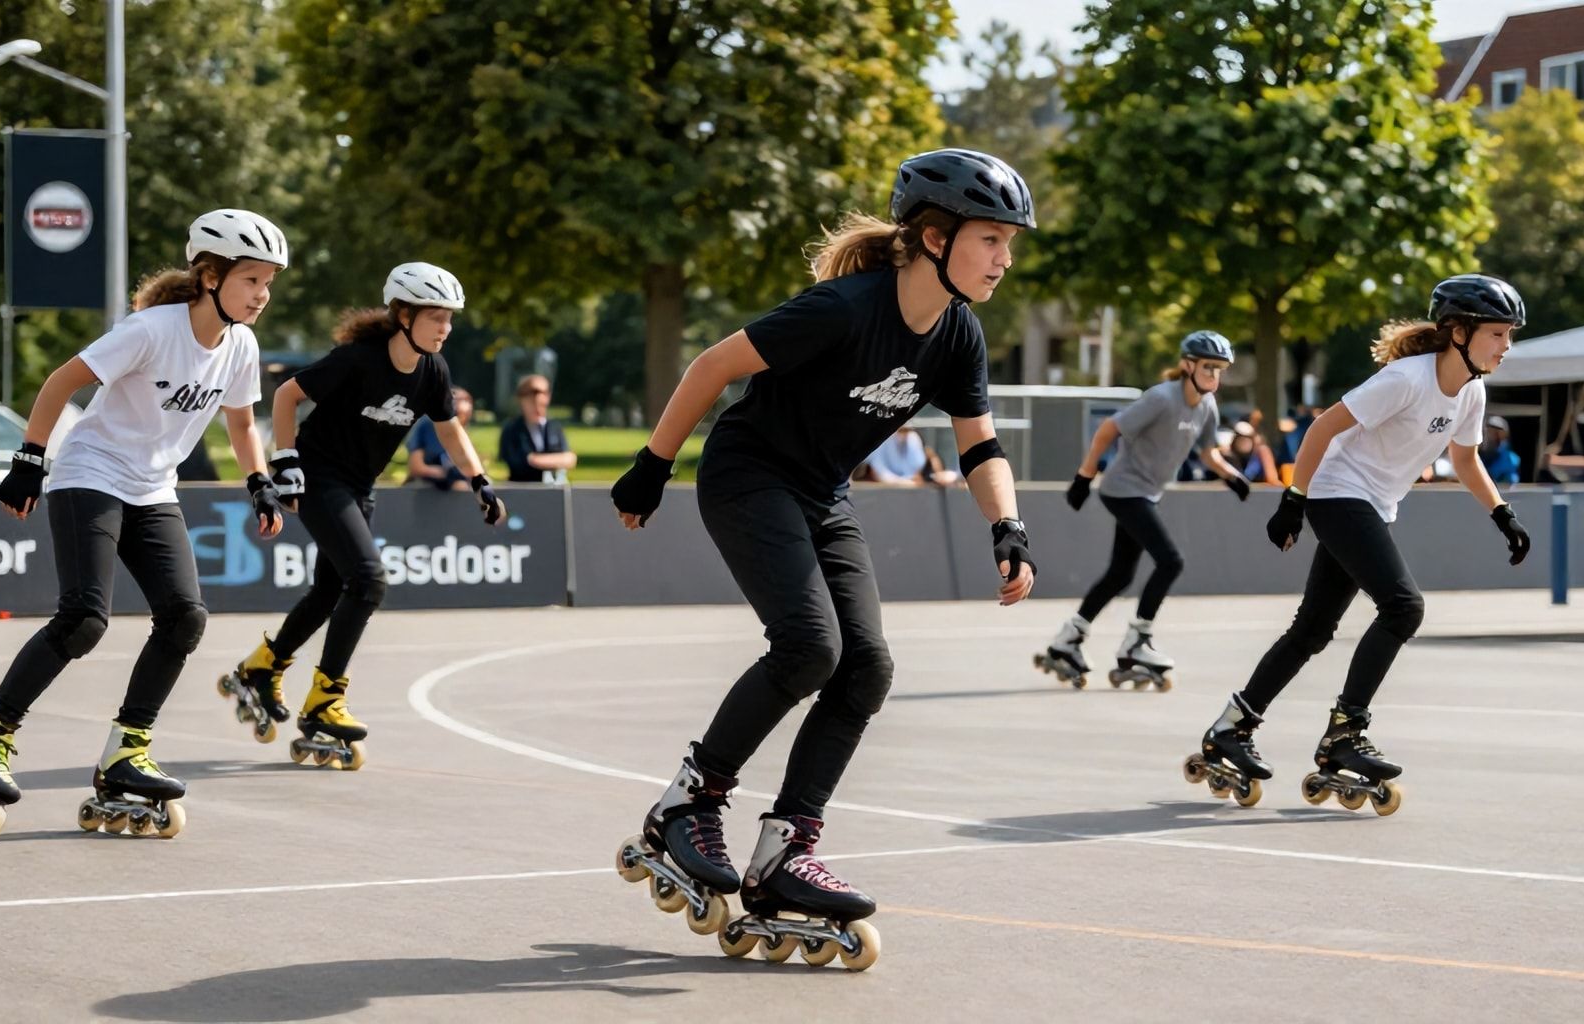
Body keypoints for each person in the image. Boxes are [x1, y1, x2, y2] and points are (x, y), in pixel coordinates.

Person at [608, 148, 1038, 963]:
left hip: (821, 493)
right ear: (936, 236)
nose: (1005, 259)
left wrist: (1006, 529)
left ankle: (785, 850)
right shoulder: (843, 308)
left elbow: (980, 446)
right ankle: (687, 805)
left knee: (866, 665)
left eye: (1009, 242)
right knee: (810, 645)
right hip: (747, 474)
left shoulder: (958, 335)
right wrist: (653, 465)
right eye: (992, 239)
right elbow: (712, 366)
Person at [0, 209, 290, 840]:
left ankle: (126, 752)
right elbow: (62, 381)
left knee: (185, 616)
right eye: (251, 279)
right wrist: (30, 460)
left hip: (153, 488)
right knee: (85, 619)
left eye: (268, 283)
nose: (261, 295)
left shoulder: (242, 347)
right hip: (89, 475)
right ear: (209, 276)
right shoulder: (152, 330)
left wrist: (259, 483)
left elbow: (238, 422)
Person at [1188, 274, 1532, 816]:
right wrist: (1293, 500)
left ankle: (1232, 728)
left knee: (1312, 630)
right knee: (1403, 607)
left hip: (1371, 505)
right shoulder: (1406, 379)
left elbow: (1466, 460)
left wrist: (1502, 514)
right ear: (1459, 331)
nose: (1506, 346)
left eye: (1509, 335)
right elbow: (1322, 428)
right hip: (1336, 493)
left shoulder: (1471, 390)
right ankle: (1346, 733)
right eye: (1497, 333)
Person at [220, 263, 506, 767]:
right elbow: (288, 395)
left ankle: (262, 667)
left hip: (358, 486)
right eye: (435, 316)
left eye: (449, 318)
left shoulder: (433, 371)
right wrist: (285, 462)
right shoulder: (358, 359)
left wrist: (479, 481)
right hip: (318, 478)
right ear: (403, 315)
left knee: (332, 589)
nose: (445, 327)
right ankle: (326, 699)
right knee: (368, 578)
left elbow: (449, 429)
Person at [1042, 331, 1251, 691]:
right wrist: (1084, 475)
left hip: (1146, 494)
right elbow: (1110, 428)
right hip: (1124, 490)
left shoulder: (1207, 406)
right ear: (1188, 366)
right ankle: (1137, 642)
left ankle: (1067, 641)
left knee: (1120, 575)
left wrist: (1232, 477)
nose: (1214, 376)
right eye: (1208, 367)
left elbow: (1207, 453)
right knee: (1171, 561)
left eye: (1220, 370)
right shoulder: (1162, 398)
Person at [498, 374, 576, 482]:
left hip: (553, 490)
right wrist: (556, 460)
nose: (538, 409)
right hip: (522, 490)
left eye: (542, 404)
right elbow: (517, 463)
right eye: (533, 403)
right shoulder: (512, 430)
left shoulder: (554, 426)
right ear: (521, 400)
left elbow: (570, 459)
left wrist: (534, 459)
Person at [407, 386, 476, 490]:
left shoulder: (462, 431)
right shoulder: (427, 425)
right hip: (426, 484)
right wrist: (447, 474)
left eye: (468, 401)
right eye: (458, 401)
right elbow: (416, 467)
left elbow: (472, 469)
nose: (466, 406)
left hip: (455, 482)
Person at [1478, 414, 1521, 485]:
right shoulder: (1479, 454)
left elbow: (1511, 482)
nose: (1490, 434)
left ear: (1504, 434)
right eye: (1488, 430)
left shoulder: (1511, 459)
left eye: (1496, 431)